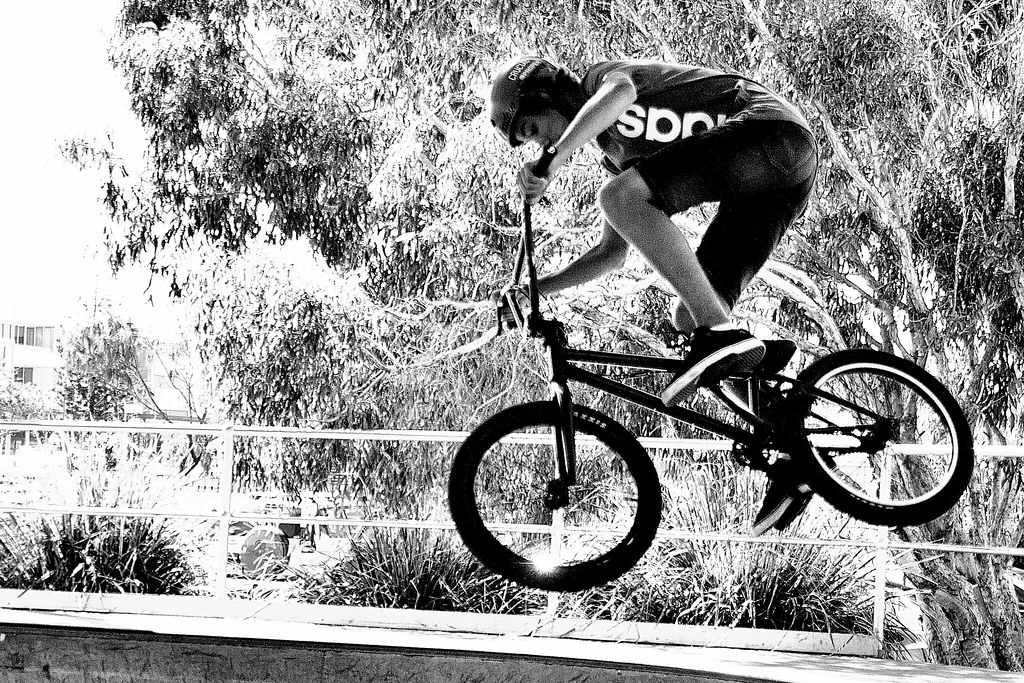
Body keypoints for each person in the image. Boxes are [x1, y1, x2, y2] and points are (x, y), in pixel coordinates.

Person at [488, 56, 818, 535]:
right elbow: (610, 255)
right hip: (775, 181)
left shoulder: (600, 80)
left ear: (548, 96)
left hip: (771, 135)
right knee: (688, 315)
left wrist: (553, 160)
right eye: (531, 142)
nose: (536, 143)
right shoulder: (619, 157)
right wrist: (535, 289)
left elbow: (618, 97)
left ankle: (724, 335)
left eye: (532, 128)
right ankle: (791, 450)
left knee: (619, 197)